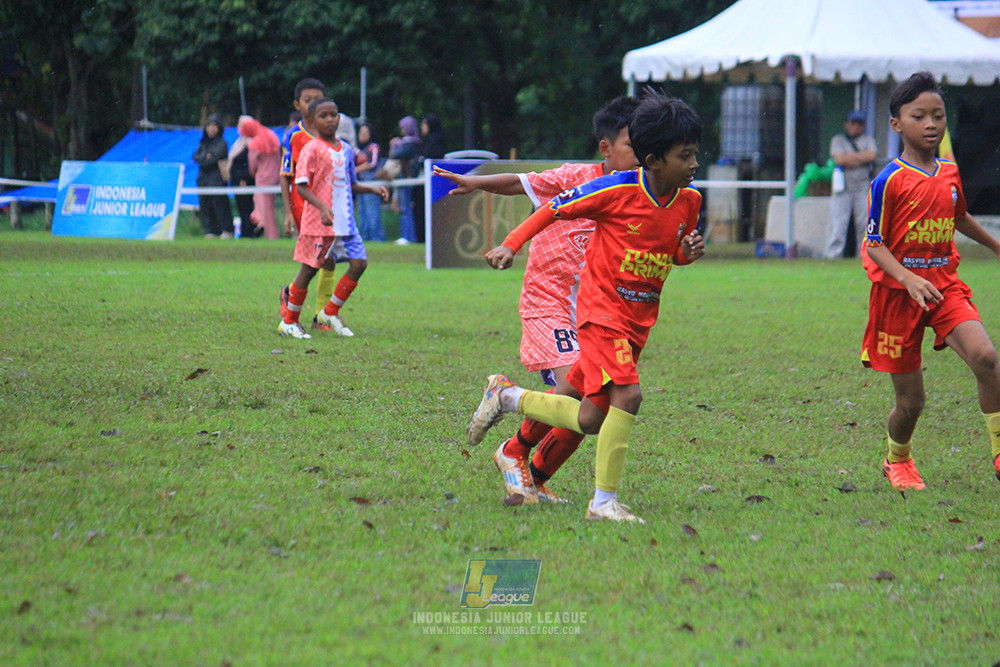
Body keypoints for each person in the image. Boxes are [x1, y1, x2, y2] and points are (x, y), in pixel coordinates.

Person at [465, 93, 706, 523]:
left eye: (695, 154)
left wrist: (685, 253)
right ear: (654, 160)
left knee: (590, 415)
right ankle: (603, 502)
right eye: (684, 156)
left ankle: (508, 398)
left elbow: (670, 252)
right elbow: (552, 210)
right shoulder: (614, 189)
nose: (694, 164)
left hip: (637, 321)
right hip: (600, 313)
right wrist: (510, 244)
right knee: (628, 396)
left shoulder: (689, 202)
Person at [433, 96, 640, 505]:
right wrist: (478, 183)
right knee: (572, 389)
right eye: (633, 146)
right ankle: (512, 441)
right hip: (550, 301)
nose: (642, 156)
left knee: (594, 405)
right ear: (606, 148)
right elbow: (520, 181)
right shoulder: (576, 178)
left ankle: (535, 477)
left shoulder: (639, 194)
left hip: (597, 312)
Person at [861, 71, 1000, 490]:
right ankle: (897, 458)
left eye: (938, 115)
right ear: (896, 124)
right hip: (897, 296)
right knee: (912, 402)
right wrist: (908, 279)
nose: (931, 124)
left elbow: (959, 217)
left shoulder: (949, 172)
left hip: (943, 286)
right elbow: (874, 244)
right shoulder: (888, 180)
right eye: (918, 116)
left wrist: (995, 245)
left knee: (986, 358)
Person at [277, 98, 389, 339]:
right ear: (313, 120)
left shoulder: (346, 149)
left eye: (334, 115)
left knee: (359, 264)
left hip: (345, 222)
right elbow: (301, 186)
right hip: (319, 222)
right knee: (309, 269)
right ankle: (289, 321)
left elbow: (351, 183)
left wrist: (372, 189)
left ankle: (329, 312)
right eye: (324, 116)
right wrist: (322, 207)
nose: (330, 119)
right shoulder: (311, 149)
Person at [278, 78, 339, 329]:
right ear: (297, 105)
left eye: (318, 99)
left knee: (325, 260)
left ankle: (317, 313)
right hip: (304, 207)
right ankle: (315, 314)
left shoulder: (331, 134)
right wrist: (287, 213)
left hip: (328, 208)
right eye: (307, 100)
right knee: (317, 261)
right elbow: (285, 175)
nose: (313, 104)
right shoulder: (294, 135)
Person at [825, 109, 877, 258]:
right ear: (847, 124)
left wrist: (850, 158)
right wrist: (860, 158)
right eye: (853, 122)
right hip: (842, 187)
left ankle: (864, 255)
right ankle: (834, 255)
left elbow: (871, 155)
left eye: (859, 123)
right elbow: (839, 159)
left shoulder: (868, 140)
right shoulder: (838, 140)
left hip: (862, 187)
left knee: (864, 223)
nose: (856, 126)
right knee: (839, 224)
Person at [238, 115, 282, 240]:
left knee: (265, 210)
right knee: (269, 208)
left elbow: (252, 166)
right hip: (276, 176)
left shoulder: (254, 143)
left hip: (263, 178)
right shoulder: (271, 135)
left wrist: (251, 174)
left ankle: (271, 236)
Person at [192, 113, 235, 238]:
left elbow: (215, 157)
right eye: (209, 125)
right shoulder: (203, 143)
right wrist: (206, 157)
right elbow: (196, 157)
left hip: (217, 181)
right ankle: (210, 231)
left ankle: (226, 230)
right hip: (203, 181)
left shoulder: (222, 143)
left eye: (214, 126)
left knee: (220, 205)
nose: (211, 128)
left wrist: (207, 158)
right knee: (205, 205)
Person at [389, 116, 422, 244]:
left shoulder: (410, 144)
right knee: (405, 206)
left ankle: (408, 236)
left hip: (407, 178)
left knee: (405, 207)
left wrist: (394, 145)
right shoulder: (414, 143)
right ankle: (407, 235)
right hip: (408, 177)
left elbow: (395, 154)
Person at [413, 113, 446, 243]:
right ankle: (420, 237)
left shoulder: (436, 144)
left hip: (432, 183)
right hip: (421, 182)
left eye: (424, 124)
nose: (422, 127)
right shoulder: (425, 143)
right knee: (419, 209)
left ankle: (428, 237)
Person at [354, 122, 385, 242]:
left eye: (365, 132)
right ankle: (365, 238)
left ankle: (377, 238)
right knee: (362, 213)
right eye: (361, 132)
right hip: (360, 183)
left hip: (371, 182)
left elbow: (372, 163)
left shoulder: (373, 147)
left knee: (372, 212)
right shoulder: (357, 149)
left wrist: (358, 169)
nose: (362, 135)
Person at [228, 124, 258, 238]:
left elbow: (250, 164)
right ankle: (244, 232)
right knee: (241, 207)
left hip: (245, 181)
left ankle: (249, 232)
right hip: (236, 180)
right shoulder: (238, 143)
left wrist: (244, 178)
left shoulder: (251, 144)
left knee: (247, 207)